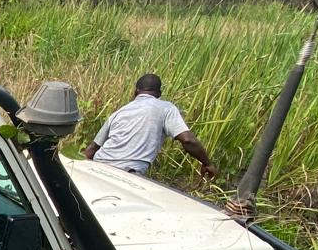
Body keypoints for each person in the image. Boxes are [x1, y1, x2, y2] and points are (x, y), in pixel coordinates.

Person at [83, 73, 218, 180]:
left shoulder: (120, 112)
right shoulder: (166, 108)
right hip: (127, 173)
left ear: (135, 92)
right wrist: (207, 163)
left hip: (98, 165)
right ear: (159, 94)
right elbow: (188, 140)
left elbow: (91, 149)